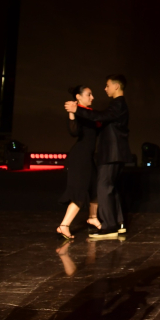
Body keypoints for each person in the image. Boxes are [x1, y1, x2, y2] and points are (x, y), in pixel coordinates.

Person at [65, 74, 132, 240]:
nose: (105, 88)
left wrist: (77, 109)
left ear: (116, 86)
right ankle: (118, 223)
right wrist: (75, 113)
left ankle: (109, 226)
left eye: (107, 85)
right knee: (109, 188)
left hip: (111, 153)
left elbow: (100, 116)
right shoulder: (118, 104)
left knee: (103, 188)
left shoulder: (118, 104)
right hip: (113, 153)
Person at [56, 85, 101, 239]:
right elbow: (74, 132)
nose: (92, 97)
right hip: (79, 158)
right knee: (80, 192)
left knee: (96, 188)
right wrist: (71, 113)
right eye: (89, 94)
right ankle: (64, 225)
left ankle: (93, 217)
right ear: (78, 97)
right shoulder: (78, 113)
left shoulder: (88, 113)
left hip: (87, 157)